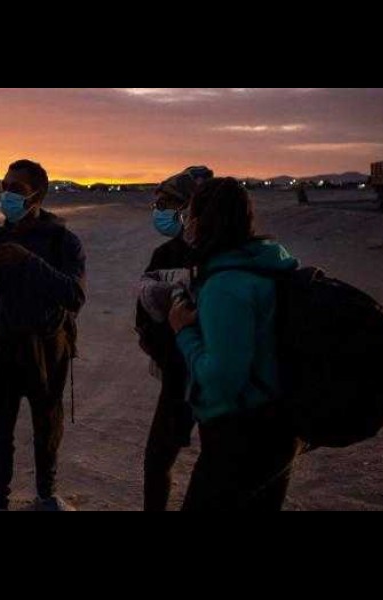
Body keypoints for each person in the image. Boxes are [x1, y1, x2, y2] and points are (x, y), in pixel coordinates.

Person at [0, 159, 86, 511]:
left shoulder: (63, 241)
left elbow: (74, 296)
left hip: (48, 348)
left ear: (38, 196)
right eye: (4, 187)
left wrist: (27, 260)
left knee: (47, 428)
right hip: (5, 346)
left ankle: (46, 494)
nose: (6, 195)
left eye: (16, 189)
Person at [168, 177, 302, 510]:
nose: (186, 224)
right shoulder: (265, 266)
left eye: (189, 215)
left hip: (241, 434)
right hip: (278, 426)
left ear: (203, 221)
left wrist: (183, 332)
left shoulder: (226, 285)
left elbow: (222, 380)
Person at [135, 165, 213, 511]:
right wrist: (166, 353)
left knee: (214, 464)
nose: (159, 211)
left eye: (166, 204)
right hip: (178, 378)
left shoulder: (222, 256)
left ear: (189, 208)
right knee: (157, 461)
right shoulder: (165, 255)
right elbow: (144, 319)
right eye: (158, 204)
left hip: (218, 379)